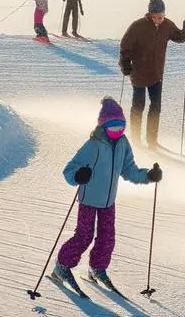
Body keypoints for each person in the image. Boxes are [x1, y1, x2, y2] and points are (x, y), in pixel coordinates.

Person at [53, 98, 161, 288]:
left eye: (120, 126)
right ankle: (63, 265)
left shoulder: (123, 144)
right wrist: (78, 175)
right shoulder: (93, 144)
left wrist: (149, 176)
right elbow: (69, 170)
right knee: (84, 236)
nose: (117, 130)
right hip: (89, 199)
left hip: (108, 202)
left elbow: (129, 170)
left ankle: (97, 268)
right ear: (103, 125)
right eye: (113, 126)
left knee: (107, 237)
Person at [118, 0, 185, 150]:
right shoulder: (138, 26)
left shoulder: (167, 25)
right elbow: (126, 45)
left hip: (156, 73)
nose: (159, 20)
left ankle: (152, 139)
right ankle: (136, 139)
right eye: (156, 16)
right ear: (150, 14)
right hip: (138, 72)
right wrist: (125, 63)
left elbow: (179, 37)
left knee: (156, 107)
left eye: (162, 16)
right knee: (138, 106)